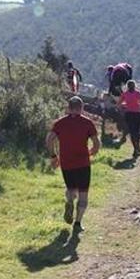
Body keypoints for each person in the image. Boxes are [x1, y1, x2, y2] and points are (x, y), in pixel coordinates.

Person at [46, 96, 101, 233]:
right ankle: (78, 223)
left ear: (68, 108)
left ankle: (70, 201)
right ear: (82, 108)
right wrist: (91, 152)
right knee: (83, 193)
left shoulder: (60, 123)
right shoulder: (87, 123)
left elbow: (49, 139)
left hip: (66, 163)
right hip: (83, 163)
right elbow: (96, 143)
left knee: (71, 189)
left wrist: (54, 156)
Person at [119, 80, 140, 157]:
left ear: (127, 86)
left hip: (128, 114)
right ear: (134, 86)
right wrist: (138, 107)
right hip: (137, 114)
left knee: (131, 131)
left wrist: (124, 106)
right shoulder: (138, 93)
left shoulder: (125, 94)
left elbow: (119, 104)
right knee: (137, 131)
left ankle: (135, 148)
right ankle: (138, 146)